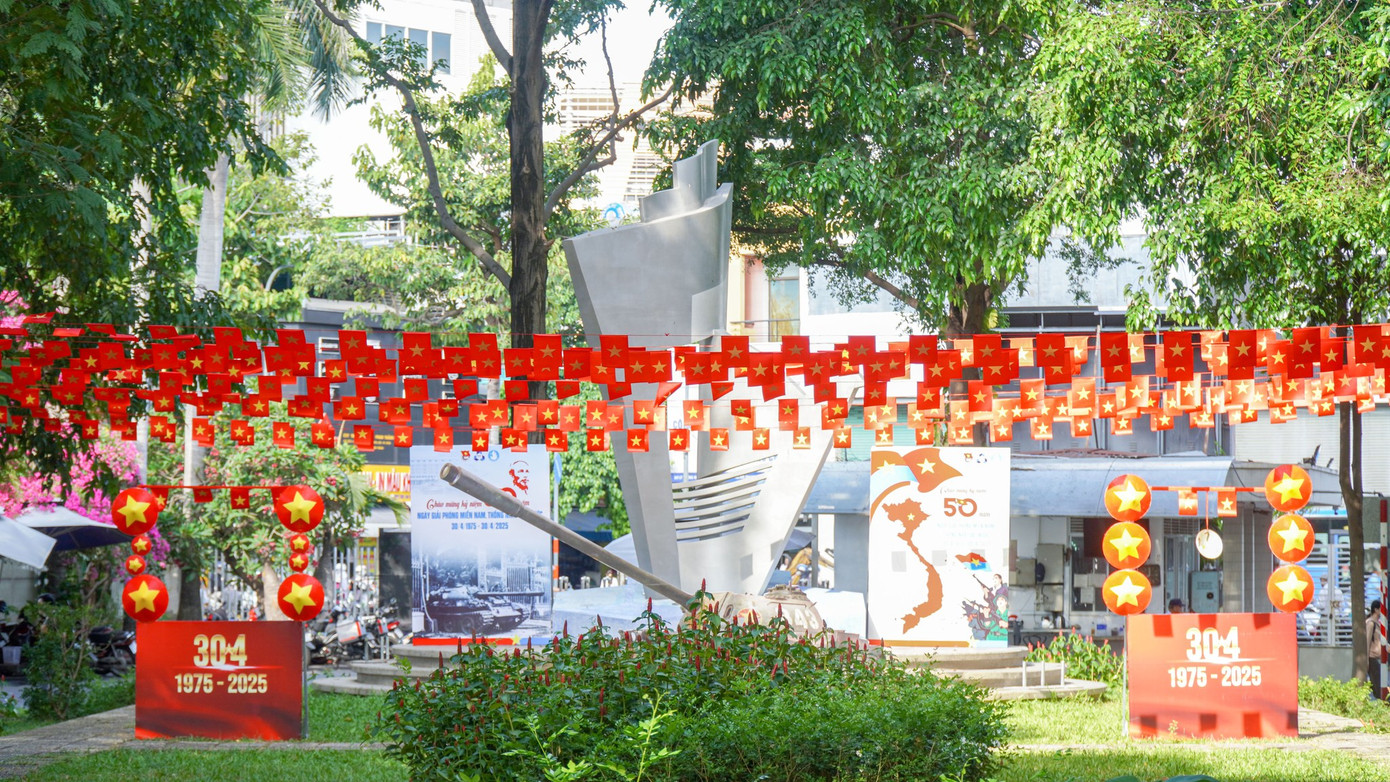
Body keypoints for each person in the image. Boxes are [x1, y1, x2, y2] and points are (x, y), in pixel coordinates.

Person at [1368, 600, 1383, 700]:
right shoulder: (1370, 624)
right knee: (1377, 684)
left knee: (1379, 683)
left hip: (1377, 658)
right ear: (1376, 610)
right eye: (1381, 609)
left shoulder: (1378, 623)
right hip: (1372, 658)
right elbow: (1367, 641)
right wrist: (1366, 660)